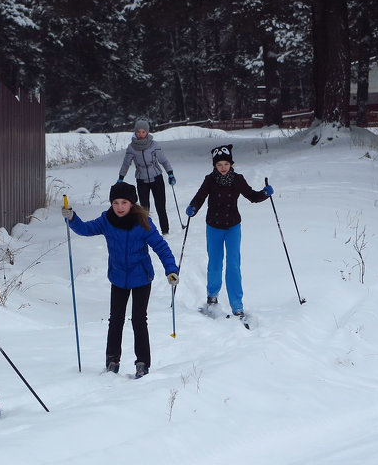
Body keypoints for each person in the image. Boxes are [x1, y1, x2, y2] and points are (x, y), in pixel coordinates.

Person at [63, 181, 179, 378]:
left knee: (138, 319)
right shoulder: (106, 220)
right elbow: (84, 229)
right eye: (115, 202)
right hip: (118, 278)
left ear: (132, 203)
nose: (119, 207)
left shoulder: (143, 223)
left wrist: (171, 269)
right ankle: (112, 361)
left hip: (141, 277)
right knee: (115, 320)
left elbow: (161, 247)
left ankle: (142, 363)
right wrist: (72, 218)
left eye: (124, 202)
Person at [185, 145, 274, 320]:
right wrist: (193, 208)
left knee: (233, 265)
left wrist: (265, 193)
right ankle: (212, 295)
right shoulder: (210, 180)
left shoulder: (238, 179)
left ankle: (237, 305)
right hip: (214, 227)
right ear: (215, 166)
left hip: (233, 227)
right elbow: (200, 196)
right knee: (215, 263)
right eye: (219, 165)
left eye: (226, 163)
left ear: (231, 164)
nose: (223, 167)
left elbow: (252, 196)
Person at [117, 117, 176, 235]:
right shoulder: (131, 147)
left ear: (147, 132)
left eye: (143, 132)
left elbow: (163, 160)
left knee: (160, 206)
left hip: (157, 178)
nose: (141, 134)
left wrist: (170, 173)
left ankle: (165, 231)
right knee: (144, 209)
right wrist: (121, 177)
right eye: (138, 132)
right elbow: (126, 163)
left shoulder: (154, 145)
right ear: (135, 132)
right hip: (141, 180)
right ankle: (146, 231)